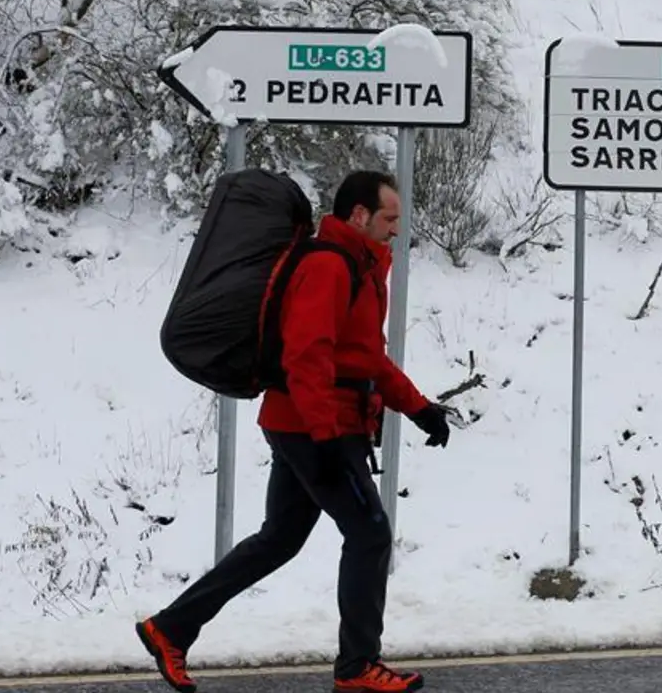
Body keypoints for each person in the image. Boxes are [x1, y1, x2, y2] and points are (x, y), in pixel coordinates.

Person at [135, 170, 452, 693]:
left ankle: (169, 628)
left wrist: (420, 409)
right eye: (391, 217)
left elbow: (365, 358)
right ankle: (357, 667)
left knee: (278, 539)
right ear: (359, 215)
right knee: (370, 535)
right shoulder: (329, 266)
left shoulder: (361, 267)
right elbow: (307, 355)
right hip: (315, 424)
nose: (398, 228)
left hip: (303, 422)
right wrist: (326, 436)